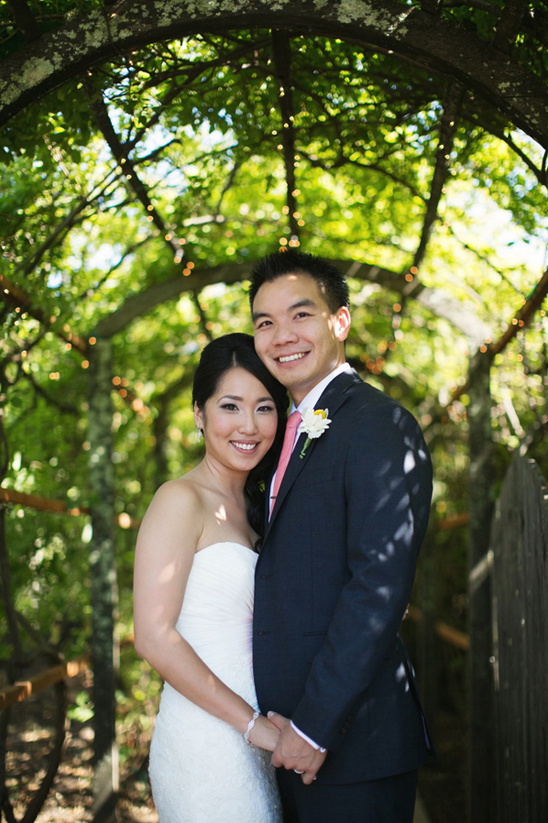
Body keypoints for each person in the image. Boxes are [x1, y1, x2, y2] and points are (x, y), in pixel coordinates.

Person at [250, 250, 434, 823]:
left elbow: (378, 586)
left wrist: (313, 725)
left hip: (350, 744)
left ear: (340, 322)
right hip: (283, 739)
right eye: (265, 322)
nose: (282, 336)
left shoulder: (377, 424)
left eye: (300, 315)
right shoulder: (283, 431)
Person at [133, 333, 288, 823]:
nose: (249, 425)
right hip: (208, 743)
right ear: (200, 414)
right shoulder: (179, 500)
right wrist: (254, 728)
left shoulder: (258, 507)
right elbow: (153, 637)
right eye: (230, 406)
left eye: (265, 407)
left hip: (263, 740)